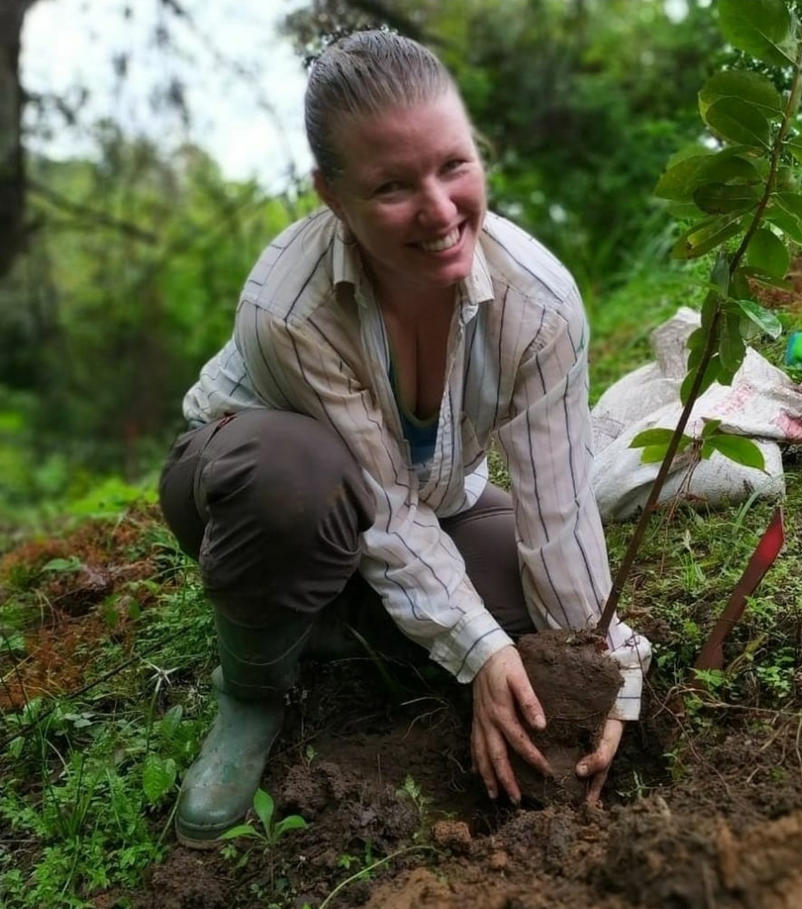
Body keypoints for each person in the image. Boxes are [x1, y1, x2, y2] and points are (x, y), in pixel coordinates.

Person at [159, 29, 651, 849]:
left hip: (421, 508)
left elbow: (558, 518)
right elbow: (380, 509)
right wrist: (481, 654)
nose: (439, 209)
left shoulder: (540, 307)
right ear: (332, 195)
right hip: (256, 486)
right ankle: (252, 686)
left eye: (454, 165)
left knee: (533, 604)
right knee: (295, 480)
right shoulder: (289, 306)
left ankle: (328, 621)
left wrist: (605, 676)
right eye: (392, 185)